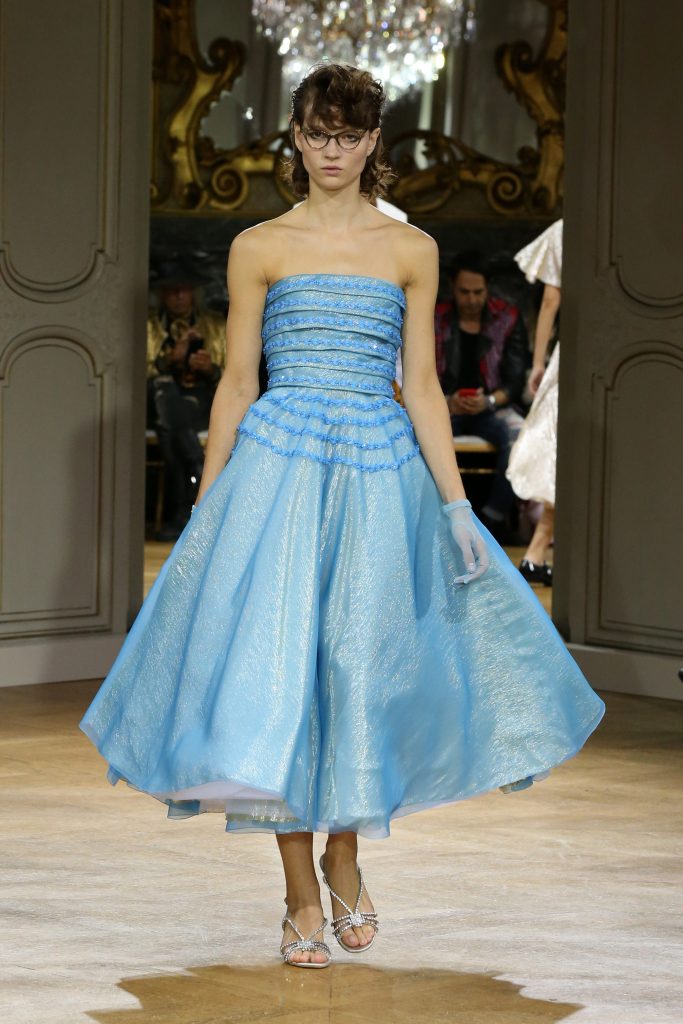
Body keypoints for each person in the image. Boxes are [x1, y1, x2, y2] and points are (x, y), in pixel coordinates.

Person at [80, 66, 604, 970]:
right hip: (277, 472)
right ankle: (297, 892)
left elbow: (423, 388)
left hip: (377, 470)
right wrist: (207, 504)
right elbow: (237, 383)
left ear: (372, 143)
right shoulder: (259, 245)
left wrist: (453, 506)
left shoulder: (411, 250)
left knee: (359, 666)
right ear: (295, 137)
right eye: (317, 133)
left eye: (347, 135)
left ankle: (343, 855)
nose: (331, 150)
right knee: (276, 677)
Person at [434, 252, 528, 539]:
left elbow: (515, 379)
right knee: (415, 436)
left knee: (521, 436)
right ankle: (435, 518)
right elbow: (419, 370)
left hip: (492, 405)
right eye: (465, 292)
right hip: (445, 405)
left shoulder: (507, 317)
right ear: (452, 288)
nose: (472, 299)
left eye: (478, 292)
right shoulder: (436, 317)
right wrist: (447, 401)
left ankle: (492, 519)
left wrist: (488, 400)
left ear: (488, 288)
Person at [147, 273, 226, 539]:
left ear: (194, 293)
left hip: (202, 404)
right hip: (157, 406)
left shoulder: (215, 325)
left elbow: (236, 376)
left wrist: (209, 369)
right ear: (162, 294)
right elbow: (130, 375)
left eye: (184, 290)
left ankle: (178, 515)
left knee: (171, 428)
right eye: (172, 290)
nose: (179, 297)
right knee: (163, 390)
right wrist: (170, 359)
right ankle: (197, 469)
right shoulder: (148, 325)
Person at [506, 220, 563, 585]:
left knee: (559, 448)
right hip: (608, 346)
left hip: (577, 348)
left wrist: (539, 360)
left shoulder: (567, 229)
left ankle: (537, 552)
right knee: (561, 451)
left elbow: (551, 300)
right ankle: (538, 550)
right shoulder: (617, 225)